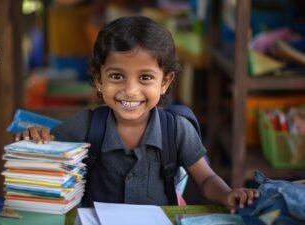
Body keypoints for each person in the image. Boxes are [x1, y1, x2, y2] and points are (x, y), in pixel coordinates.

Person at [16, 16, 258, 213]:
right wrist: (37, 139)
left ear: (165, 81)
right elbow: (44, 154)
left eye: (145, 77)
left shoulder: (176, 130)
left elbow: (206, 180)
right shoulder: (87, 125)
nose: (130, 91)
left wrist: (227, 193)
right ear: (99, 80)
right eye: (116, 76)